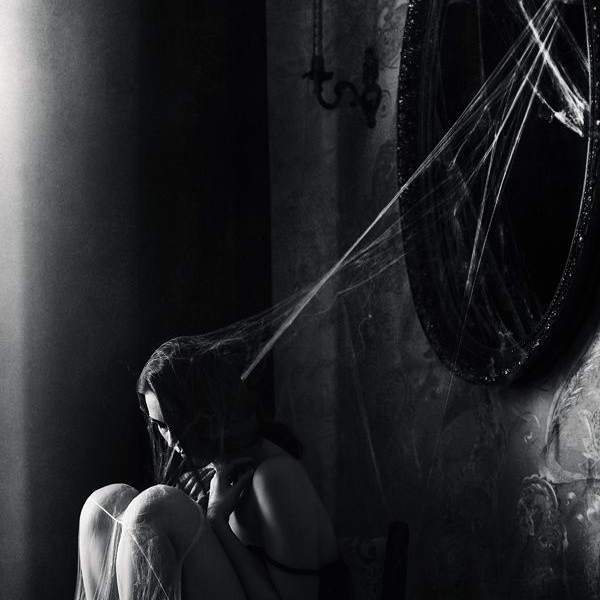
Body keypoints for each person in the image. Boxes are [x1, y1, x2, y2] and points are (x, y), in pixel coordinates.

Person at [76, 336, 346, 600]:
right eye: (162, 426)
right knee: (106, 503)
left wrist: (217, 520)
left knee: (155, 506)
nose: (172, 440)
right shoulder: (207, 476)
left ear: (211, 409)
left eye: (178, 421)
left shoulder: (276, 477)